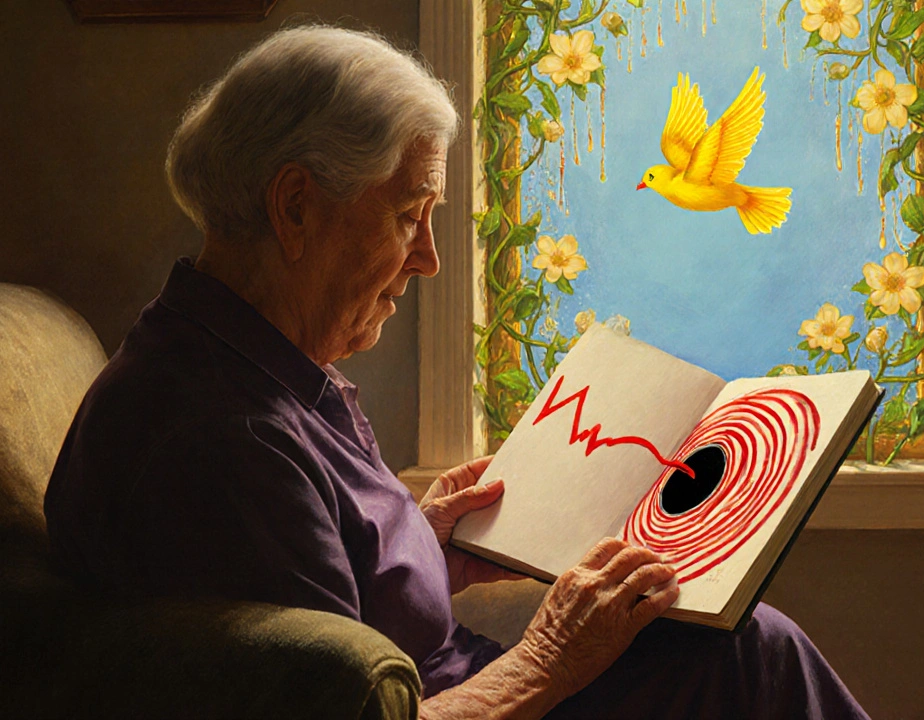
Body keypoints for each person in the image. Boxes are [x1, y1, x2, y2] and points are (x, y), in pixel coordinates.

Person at [43, 25, 870, 719]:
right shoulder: (220, 439)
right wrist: (546, 657)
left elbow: (324, 589)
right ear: (295, 207)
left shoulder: (246, 360)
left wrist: (423, 545)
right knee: (755, 657)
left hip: (460, 679)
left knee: (751, 647)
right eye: (409, 216)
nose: (431, 259)